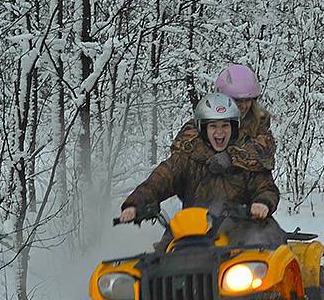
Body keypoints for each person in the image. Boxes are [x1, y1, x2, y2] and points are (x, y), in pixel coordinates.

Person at [119, 93, 280, 244]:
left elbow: (265, 187)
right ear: (204, 129)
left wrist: (262, 203)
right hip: (191, 231)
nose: (219, 132)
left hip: (239, 231)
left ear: (233, 128)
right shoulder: (187, 158)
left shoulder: (246, 159)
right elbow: (161, 179)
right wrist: (135, 204)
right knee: (160, 258)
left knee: (265, 252)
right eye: (213, 126)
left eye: (225, 125)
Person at [171, 64, 275, 175]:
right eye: (237, 101)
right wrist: (212, 154)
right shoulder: (203, 120)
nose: (243, 106)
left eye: (247, 100)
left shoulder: (258, 125)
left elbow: (266, 155)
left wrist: (231, 157)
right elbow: (180, 146)